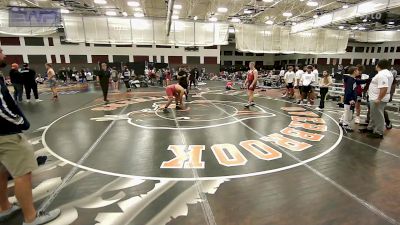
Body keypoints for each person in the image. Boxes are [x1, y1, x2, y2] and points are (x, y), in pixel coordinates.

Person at [0, 47, 61, 225]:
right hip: (6, 133)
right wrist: (20, 122)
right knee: (23, 173)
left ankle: (4, 207)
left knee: (2, 171)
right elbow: (1, 108)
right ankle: (31, 217)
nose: (3, 54)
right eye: (1, 50)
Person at [359, 59, 391, 138]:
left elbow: (384, 88)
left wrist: (379, 99)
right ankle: (371, 128)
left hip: (377, 98)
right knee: (373, 114)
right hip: (375, 97)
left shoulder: (382, 75)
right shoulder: (386, 73)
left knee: (378, 115)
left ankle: (379, 132)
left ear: (378, 65)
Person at [339, 67, 365, 131]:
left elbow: (359, 81)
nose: (358, 72)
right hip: (349, 99)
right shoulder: (350, 80)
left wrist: (369, 80)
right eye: (357, 70)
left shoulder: (353, 79)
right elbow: (348, 90)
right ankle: (345, 124)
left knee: (347, 111)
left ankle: (342, 121)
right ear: (354, 71)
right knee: (348, 112)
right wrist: (351, 99)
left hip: (350, 98)